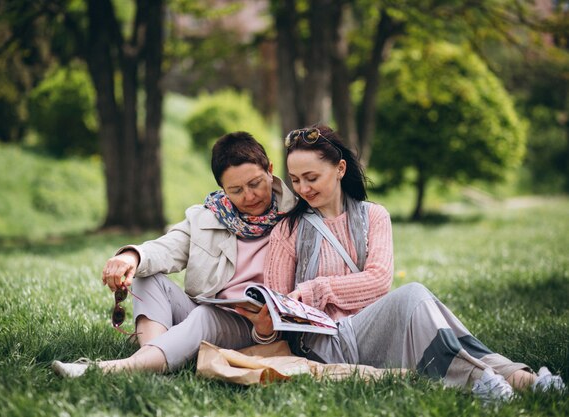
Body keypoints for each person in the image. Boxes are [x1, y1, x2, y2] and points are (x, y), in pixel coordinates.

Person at [238, 125, 565, 403]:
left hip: (374, 332)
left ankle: (523, 382)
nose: (302, 189)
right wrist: (266, 324)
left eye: (311, 177)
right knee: (414, 297)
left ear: (340, 169)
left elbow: (379, 280)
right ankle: (494, 381)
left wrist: (315, 289)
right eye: (295, 180)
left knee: (435, 324)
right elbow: (279, 304)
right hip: (324, 344)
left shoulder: (374, 216)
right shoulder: (288, 228)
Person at [52, 131, 296, 377]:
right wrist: (131, 257)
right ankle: (150, 361)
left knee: (205, 316)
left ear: (270, 170)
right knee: (147, 275)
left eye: (255, 184)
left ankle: (111, 369)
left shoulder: (297, 218)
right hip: (209, 312)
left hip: (254, 326)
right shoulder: (206, 217)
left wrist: (268, 327)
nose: (249, 196)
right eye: (236, 190)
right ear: (223, 189)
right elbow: (166, 247)